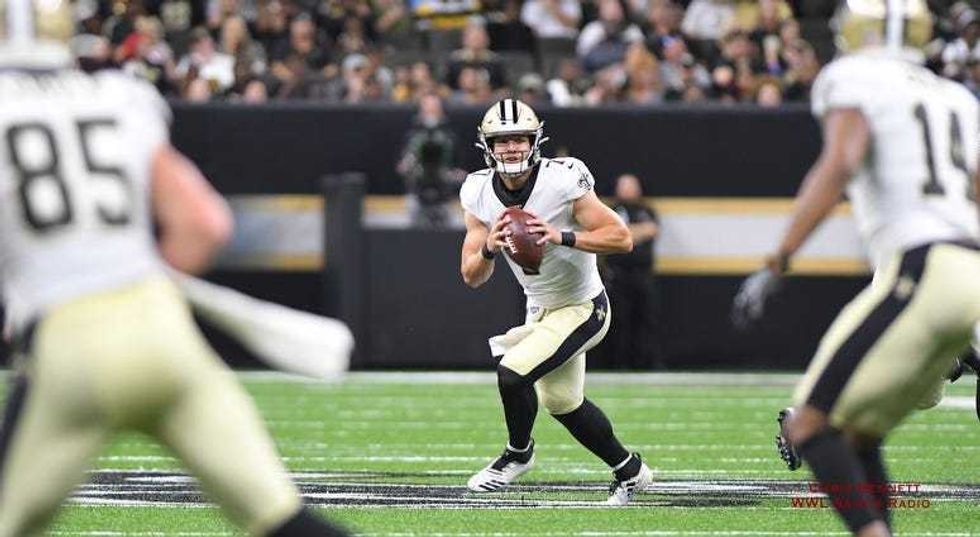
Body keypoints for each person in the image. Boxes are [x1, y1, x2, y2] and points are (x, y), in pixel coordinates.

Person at [0, 2, 347, 535]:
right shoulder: (117, 97)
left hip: (68, 345)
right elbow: (205, 224)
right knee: (281, 519)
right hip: (162, 328)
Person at [731, 0, 980, 535]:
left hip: (923, 266)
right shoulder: (956, 96)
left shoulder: (853, 77)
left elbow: (840, 162)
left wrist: (781, 255)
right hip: (971, 266)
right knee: (859, 433)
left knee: (807, 424)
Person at [459, 98, 652, 505]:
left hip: (584, 306)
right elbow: (471, 276)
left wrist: (561, 236)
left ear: (535, 141)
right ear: (487, 146)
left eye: (519, 138)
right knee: (563, 403)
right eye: (502, 140)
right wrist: (490, 248)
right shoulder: (477, 190)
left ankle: (518, 454)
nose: (512, 147)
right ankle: (631, 471)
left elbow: (622, 238)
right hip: (541, 309)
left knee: (513, 373)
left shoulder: (562, 180)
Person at [601, 174, 662, 370]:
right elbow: (611, 235)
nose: (629, 190)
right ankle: (619, 362)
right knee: (619, 319)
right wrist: (637, 232)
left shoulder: (647, 210)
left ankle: (646, 362)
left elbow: (653, 230)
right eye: (625, 186)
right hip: (618, 274)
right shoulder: (610, 211)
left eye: (632, 185)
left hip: (643, 274)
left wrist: (626, 233)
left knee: (646, 318)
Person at [397, 92, 465, 228]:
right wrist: (408, 166)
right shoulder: (412, 137)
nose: (431, 112)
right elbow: (402, 166)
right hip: (417, 194)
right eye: (427, 108)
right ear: (421, 111)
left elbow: (460, 169)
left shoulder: (450, 138)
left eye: (434, 108)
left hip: (445, 196)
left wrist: (452, 175)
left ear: (441, 111)